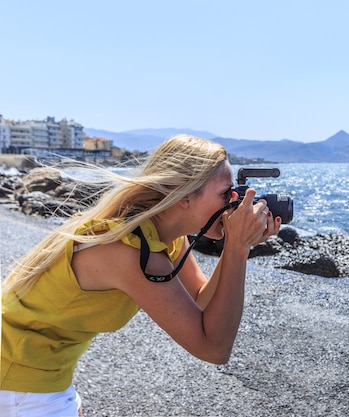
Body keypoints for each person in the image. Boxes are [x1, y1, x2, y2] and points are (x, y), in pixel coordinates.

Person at [0, 134, 282, 416]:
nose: (234, 203)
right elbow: (213, 348)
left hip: (38, 374)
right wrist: (237, 248)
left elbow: (200, 300)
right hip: (19, 380)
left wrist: (236, 246)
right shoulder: (130, 251)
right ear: (182, 194)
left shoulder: (161, 235)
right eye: (226, 194)